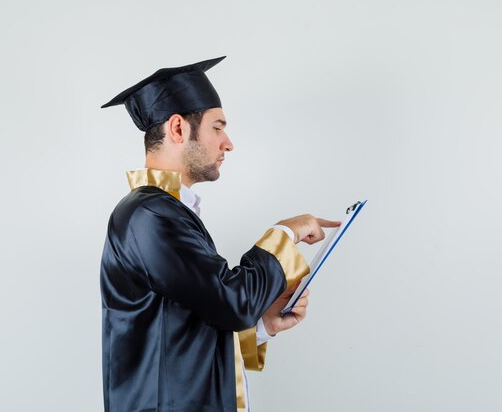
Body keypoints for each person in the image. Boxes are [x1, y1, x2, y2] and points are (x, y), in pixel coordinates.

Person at [100, 56, 339, 412]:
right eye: (217, 127)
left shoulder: (162, 212)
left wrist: (263, 325)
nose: (228, 143)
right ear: (178, 129)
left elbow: (194, 322)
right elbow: (232, 303)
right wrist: (285, 233)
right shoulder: (149, 214)